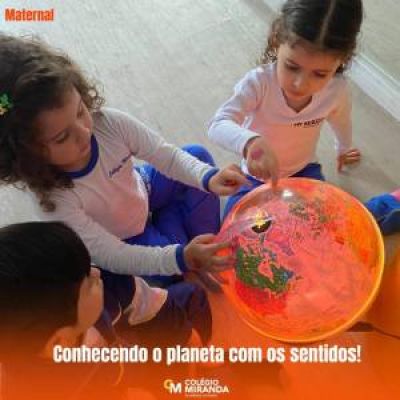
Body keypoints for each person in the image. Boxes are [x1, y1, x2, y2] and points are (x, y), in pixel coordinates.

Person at [0, 34, 247, 327]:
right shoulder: (54, 201)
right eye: (62, 137)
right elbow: (113, 255)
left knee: (197, 157)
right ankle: (188, 255)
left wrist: (208, 177)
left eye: (80, 111)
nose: (84, 132)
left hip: (145, 188)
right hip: (124, 241)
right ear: (26, 154)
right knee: (161, 271)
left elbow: (164, 155)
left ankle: (202, 249)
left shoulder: (108, 123)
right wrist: (180, 257)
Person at [0, 221, 207, 400]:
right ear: (60, 343)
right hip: (120, 371)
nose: (96, 273)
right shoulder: (38, 388)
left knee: (192, 295)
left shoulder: (104, 284)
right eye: (88, 282)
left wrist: (185, 336)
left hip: (126, 349)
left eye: (87, 267)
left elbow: (146, 300)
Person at [207, 0, 364, 217]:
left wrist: (343, 148)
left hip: (304, 172)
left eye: (320, 74)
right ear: (277, 41)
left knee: (325, 220)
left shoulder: (337, 90)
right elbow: (217, 125)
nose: (301, 84)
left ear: (342, 61)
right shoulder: (259, 83)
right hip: (255, 179)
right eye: (292, 67)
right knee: (237, 226)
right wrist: (250, 142)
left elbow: (341, 120)